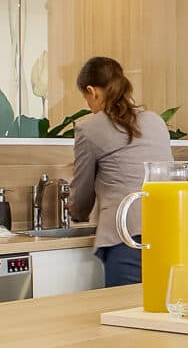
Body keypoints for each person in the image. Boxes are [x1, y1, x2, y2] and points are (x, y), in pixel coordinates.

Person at [67, 55, 172, 288]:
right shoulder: (155, 121)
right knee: (164, 303)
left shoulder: (89, 129)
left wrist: (76, 212)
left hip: (127, 234)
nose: (88, 104)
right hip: (168, 229)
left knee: (125, 307)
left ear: (92, 91)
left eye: (86, 97)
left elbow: (82, 194)